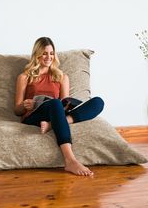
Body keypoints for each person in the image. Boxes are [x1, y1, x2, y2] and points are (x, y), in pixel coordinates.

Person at [14, 37, 104, 176]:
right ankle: (70, 160)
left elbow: (64, 102)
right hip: (33, 116)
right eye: (44, 53)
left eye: (51, 53)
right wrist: (26, 106)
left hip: (55, 114)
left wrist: (65, 107)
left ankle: (51, 124)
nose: (48, 57)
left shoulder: (62, 77)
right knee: (55, 103)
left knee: (98, 102)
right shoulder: (25, 77)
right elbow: (17, 109)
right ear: (37, 54)